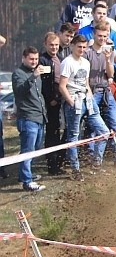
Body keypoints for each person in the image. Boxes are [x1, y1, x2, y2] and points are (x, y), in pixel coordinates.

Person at [59, 34, 109, 180]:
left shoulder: (86, 62)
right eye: (79, 46)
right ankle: (75, 169)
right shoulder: (67, 62)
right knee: (74, 136)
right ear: (73, 46)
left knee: (104, 132)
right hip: (74, 101)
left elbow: (86, 83)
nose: (81, 49)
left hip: (88, 99)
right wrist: (71, 102)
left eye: (84, 47)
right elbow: (62, 86)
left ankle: (96, 163)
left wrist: (91, 98)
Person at [83, 20, 116, 155]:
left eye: (105, 36)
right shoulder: (87, 53)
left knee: (115, 124)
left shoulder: (109, 51)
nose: (103, 39)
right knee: (93, 127)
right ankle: (93, 157)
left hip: (106, 90)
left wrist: (108, 58)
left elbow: (111, 74)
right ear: (94, 35)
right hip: (92, 91)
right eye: (100, 36)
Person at [12, 47, 46, 191]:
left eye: (36, 59)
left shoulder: (36, 73)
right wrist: (32, 77)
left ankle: (25, 174)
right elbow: (19, 92)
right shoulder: (18, 74)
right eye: (31, 59)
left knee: (36, 148)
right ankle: (27, 181)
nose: (34, 62)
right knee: (27, 149)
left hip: (39, 116)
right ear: (23, 58)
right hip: (27, 117)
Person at [38, 32, 65, 175]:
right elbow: (42, 84)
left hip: (61, 99)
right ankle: (52, 165)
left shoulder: (61, 58)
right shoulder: (42, 60)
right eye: (51, 45)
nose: (54, 47)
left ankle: (59, 161)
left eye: (56, 45)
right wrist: (50, 99)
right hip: (50, 102)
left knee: (60, 131)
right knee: (52, 133)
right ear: (45, 45)